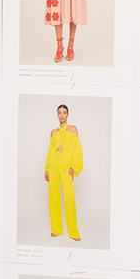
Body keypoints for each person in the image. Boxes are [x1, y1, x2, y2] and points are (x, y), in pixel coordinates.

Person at [45, 103, 84, 240]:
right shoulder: (53, 132)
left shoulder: (73, 129)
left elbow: (77, 150)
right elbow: (50, 152)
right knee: (53, 197)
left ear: (68, 115)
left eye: (64, 112)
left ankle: (73, 232)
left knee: (69, 198)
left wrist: (74, 166)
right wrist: (47, 168)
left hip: (66, 165)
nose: (62, 115)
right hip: (54, 164)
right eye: (59, 112)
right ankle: (56, 229)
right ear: (57, 114)